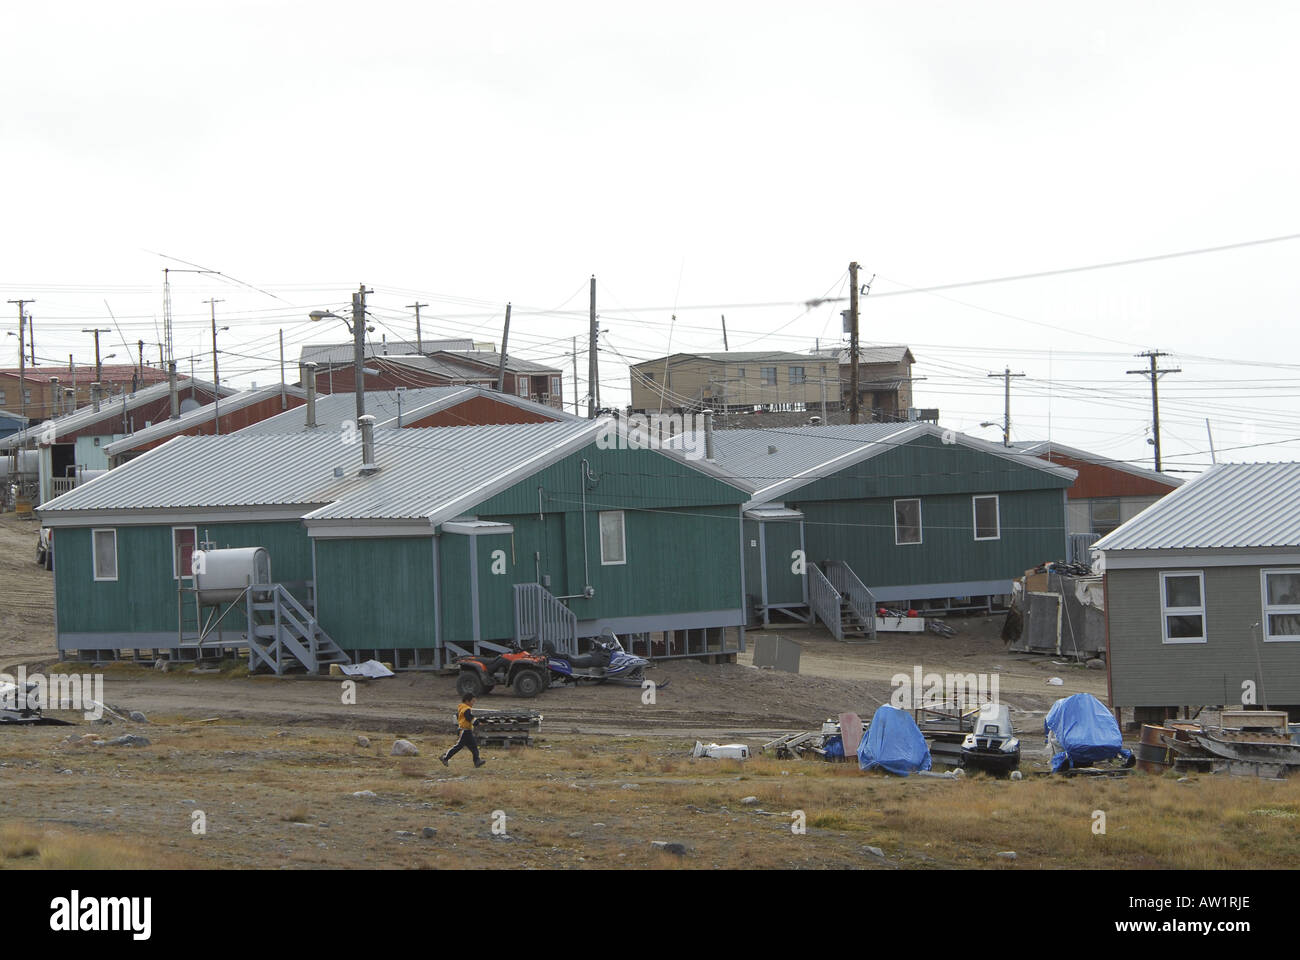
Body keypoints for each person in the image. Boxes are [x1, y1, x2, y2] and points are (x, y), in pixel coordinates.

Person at [441, 693, 487, 768]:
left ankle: (477, 761)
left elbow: (459, 716)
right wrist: (477, 723)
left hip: (466, 730)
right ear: (467, 701)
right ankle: (445, 757)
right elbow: (469, 718)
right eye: (472, 701)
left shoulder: (461, 708)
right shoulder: (466, 709)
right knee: (459, 746)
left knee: (474, 746)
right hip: (464, 731)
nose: (473, 703)